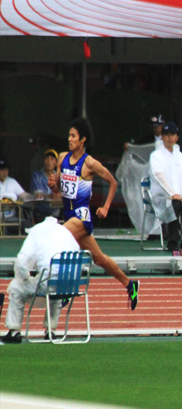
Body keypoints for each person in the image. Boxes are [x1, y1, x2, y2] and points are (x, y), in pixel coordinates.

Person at [50, 118, 140, 309]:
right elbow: (58, 190)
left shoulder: (90, 163)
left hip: (81, 217)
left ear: (82, 139)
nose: (69, 139)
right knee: (99, 259)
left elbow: (113, 182)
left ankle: (65, 289)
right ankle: (130, 284)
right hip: (69, 215)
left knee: (61, 238)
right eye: (69, 135)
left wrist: (106, 207)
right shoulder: (62, 158)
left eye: (73, 136)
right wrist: (53, 186)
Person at [0, 216, 80, 344]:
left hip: (48, 284)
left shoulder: (36, 231)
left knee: (16, 287)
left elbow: (22, 263)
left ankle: (14, 332)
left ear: (34, 221)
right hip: (70, 286)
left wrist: (24, 278)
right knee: (56, 285)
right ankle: (51, 331)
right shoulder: (65, 231)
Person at [149, 121, 182, 253]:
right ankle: (173, 242)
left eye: (172, 134)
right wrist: (172, 193)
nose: (169, 137)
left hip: (179, 197)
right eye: (166, 134)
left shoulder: (181, 158)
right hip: (162, 197)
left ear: (177, 137)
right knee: (174, 204)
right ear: (162, 137)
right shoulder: (155, 156)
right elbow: (159, 176)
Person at [0, 157, 29, 228]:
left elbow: (23, 195)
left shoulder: (12, 181)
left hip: (11, 219)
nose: (5, 172)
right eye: (2, 169)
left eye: (6, 170)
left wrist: (35, 196)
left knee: (25, 224)